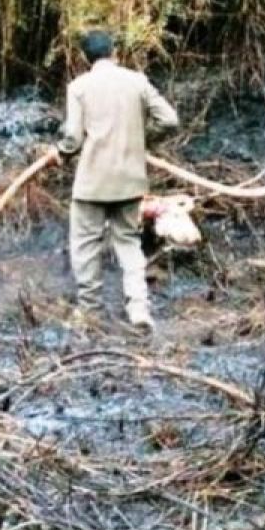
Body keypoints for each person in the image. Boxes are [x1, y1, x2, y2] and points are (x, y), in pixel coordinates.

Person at [48, 30, 179, 331]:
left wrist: (62, 154)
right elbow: (169, 120)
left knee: (85, 246)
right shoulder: (137, 81)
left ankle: (90, 312)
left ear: (85, 57)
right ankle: (139, 311)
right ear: (114, 52)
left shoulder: (78, 87)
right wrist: (143, 140)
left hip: (92, 184)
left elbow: (72, 136)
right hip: (130, 181)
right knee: (129, 244)